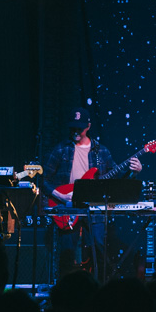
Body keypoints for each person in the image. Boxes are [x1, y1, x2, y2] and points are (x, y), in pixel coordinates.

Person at [38, 107, 141, 274]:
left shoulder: (101, 151)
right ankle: (65, 288)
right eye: (73, 127)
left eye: (80, 127)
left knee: (99, 248)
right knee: (66, 252)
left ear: (88, 126)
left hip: (94, 207)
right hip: (69, 206)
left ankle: (99, 287)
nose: (76, 131)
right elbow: (42, 179)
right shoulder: (61, 149)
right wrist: (60, 195)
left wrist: (133, 171)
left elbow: (117, 180)